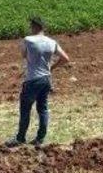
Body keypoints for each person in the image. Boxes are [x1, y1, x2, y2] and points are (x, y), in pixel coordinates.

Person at [6, 17, 70, 147]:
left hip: (32, 80)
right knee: (43, 109)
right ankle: (40, 139)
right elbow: (65, 58)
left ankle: (20, 138)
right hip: (46, 79)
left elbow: (24, 56)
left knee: (25, 108)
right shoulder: (52, 42)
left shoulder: (28, 40)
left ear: (34, 27)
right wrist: (51, 67)